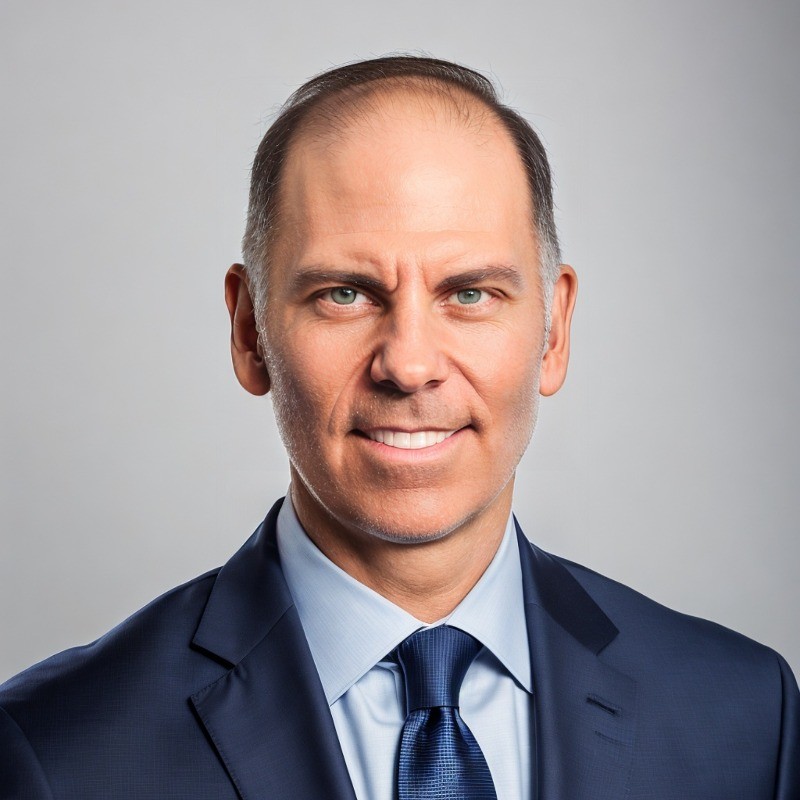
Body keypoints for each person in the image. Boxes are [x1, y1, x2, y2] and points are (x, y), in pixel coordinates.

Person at [0, 54, 797, 800]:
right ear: (249, 332)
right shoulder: (55, 752)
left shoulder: (746, 718)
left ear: (553, 332)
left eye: (470, 293)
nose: (409, 365)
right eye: (345, 294)